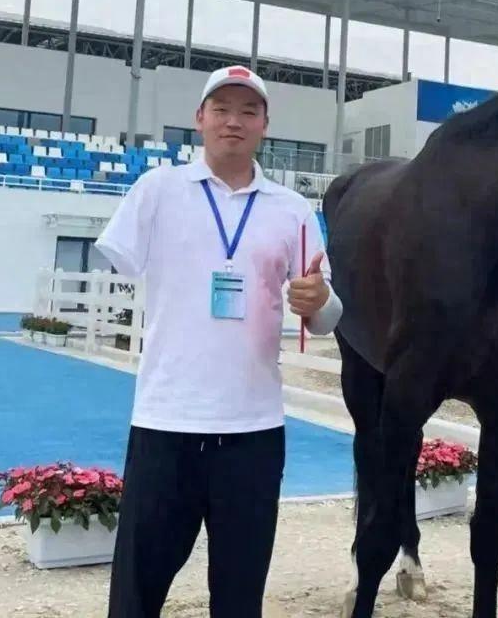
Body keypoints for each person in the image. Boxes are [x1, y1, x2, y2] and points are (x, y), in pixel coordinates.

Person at [95, 65, 343, 618]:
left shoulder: (292, 209)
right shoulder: (157, 190)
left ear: (264, 125)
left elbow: (326, 318)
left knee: (239, 595)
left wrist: (318, 299)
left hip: (253, 430)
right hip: (166, 422)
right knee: (136, 590)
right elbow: (119, 258)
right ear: (200, 118)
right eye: (222, 109)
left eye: (248, 111)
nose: (234, 121)